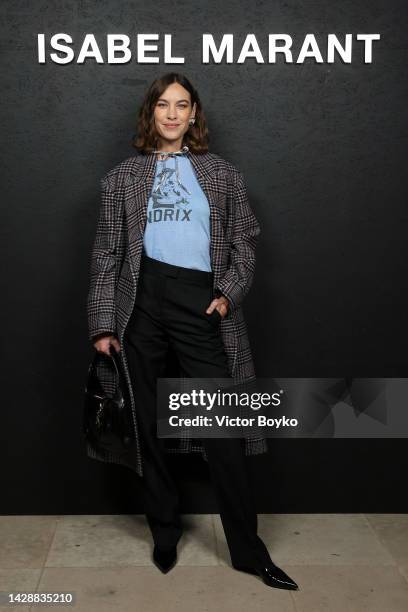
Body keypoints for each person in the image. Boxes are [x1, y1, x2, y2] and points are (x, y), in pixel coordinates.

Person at [87, 72, 298, 590]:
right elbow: (107, 253)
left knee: (221, 429)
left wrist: (226, 293)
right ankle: (164, 530)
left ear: (195, 115)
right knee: (148, 424)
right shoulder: (122, 178)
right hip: (140, 304)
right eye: (164, 105)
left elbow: (246, 241)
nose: (173, 114)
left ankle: (247, 551)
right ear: (151, 114)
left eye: (183, 105)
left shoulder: (222, 174)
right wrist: (102, 323)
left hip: (199, 301)